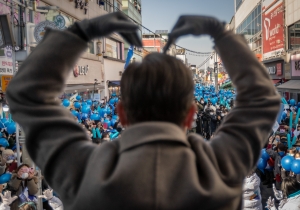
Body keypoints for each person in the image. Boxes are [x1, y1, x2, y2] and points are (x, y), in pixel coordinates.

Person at [6, 12, 281, 209]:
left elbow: (27, 94)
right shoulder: (220, 166)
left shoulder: (83, 170)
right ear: (190, 114)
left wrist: (80, 32)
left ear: (121, 112)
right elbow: (264, 98)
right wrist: (221, 34)